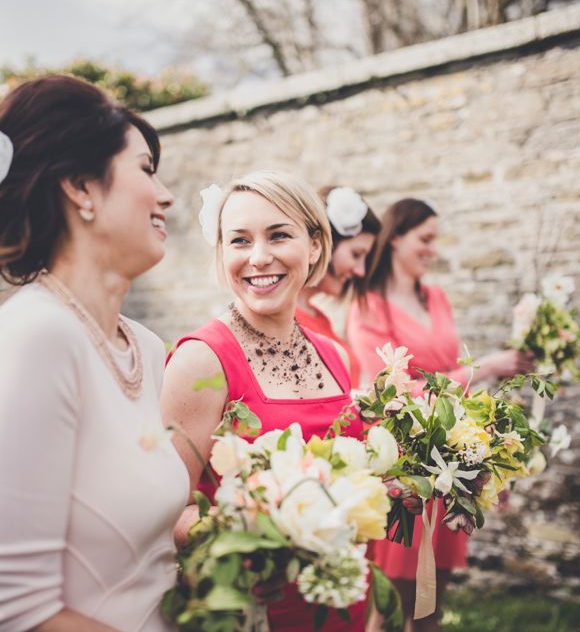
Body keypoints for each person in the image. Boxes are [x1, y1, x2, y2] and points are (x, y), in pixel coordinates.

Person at [0, 76, 186, 632]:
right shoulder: (36, 337)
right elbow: (17, 608)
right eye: (146, 170)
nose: (166, 195)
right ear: (81, 186)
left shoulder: (147, 349)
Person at [160, 170, 366, 632]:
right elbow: (162, 512)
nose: (258, 257)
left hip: (341, 600)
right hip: (251, 610)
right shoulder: (201, 360)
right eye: (238, 241)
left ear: (314, 245)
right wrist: (262, 532)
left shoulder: (333, 353)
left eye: (278, 235)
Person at [347, 198, 533, 632]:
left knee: (432, 607)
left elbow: (456, 384)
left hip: (451, 459)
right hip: (404, 461)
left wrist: (489, 462)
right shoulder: (368, 305)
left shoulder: (438, 297)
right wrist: (484, 365)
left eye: (436, 240)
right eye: (424, 239)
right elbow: (389, 389)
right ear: (394, 239)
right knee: (393, 609)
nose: (433, 249)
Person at [295, 186, 381, 389]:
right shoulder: (287, 322)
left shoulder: (320, 318)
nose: (360, 271)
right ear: (323, 244)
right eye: (356, 254)